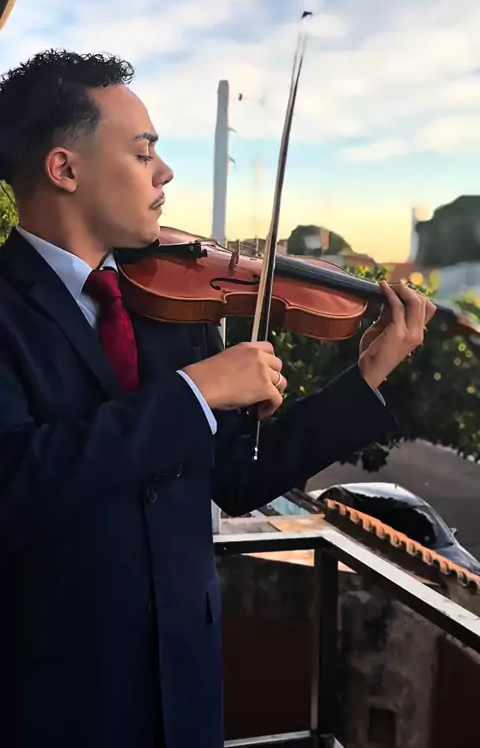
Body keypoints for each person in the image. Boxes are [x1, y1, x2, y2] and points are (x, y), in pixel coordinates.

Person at [0, 50, 435, 748]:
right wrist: (194, 391)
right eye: (143, 153)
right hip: (55, 697)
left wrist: (366, 378)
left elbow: (238, 476)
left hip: (188, 689)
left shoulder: (176, 301)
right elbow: (15, 482)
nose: (165, 173)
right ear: (64, 169)